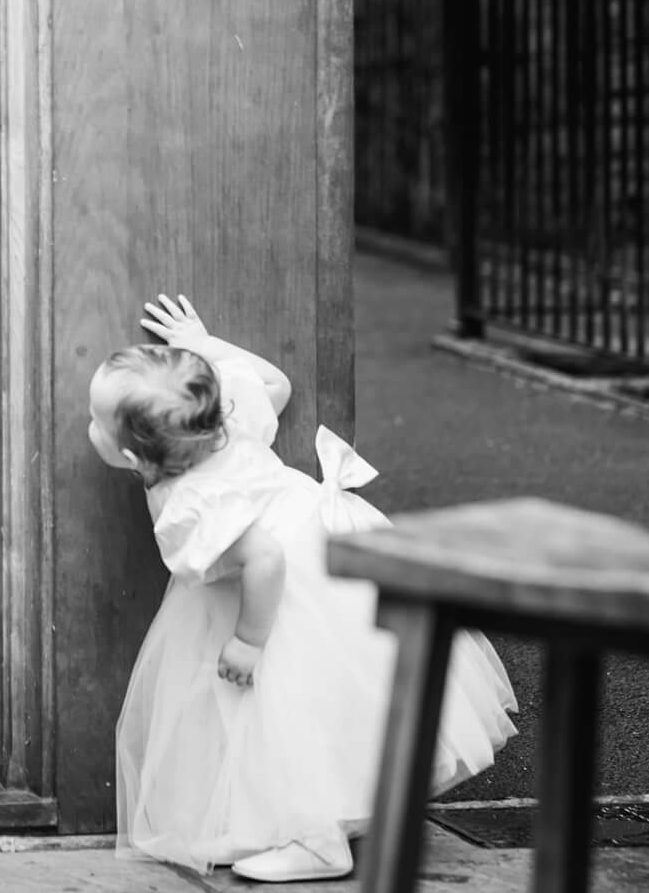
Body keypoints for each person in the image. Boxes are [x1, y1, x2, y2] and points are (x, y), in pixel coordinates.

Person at [94, 296, 518, 881]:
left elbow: (264, 559)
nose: (89, 427)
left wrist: (248, 641)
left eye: (97, 421)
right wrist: (204, 345)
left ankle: (317, 842)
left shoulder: (187, 503)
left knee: (284, 711)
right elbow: (276, 381)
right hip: (324, 548)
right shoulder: (228, 417)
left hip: (280, 590)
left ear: (127, 456)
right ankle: (336, 813)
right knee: (332, 701)